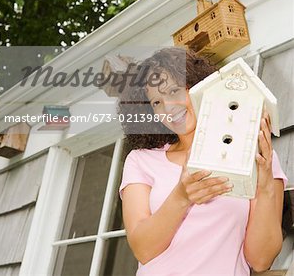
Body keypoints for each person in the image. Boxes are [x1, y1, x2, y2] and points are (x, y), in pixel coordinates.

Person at [118, 47, 288, 276]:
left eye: (174, 90)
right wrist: (182, 196)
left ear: (199, 86)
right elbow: (143, 249)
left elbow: (260, 260)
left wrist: (266, 185)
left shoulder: (257, 157)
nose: (168, 107)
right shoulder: (141, 161)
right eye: (156, 102)